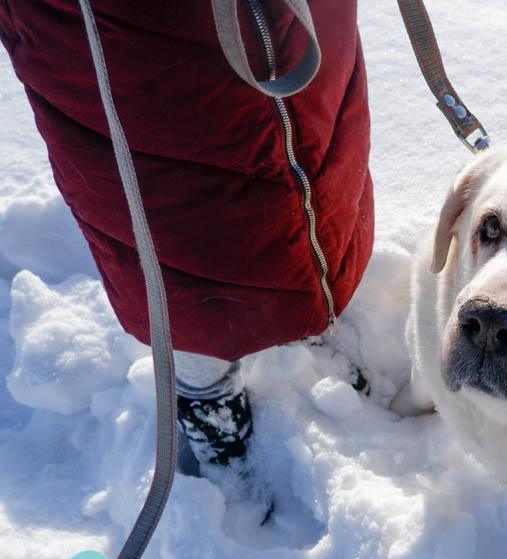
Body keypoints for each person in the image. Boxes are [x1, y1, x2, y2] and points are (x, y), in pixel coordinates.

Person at [0, 1, 373, 500]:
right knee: (180, 232)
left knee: (318, 172)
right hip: (125, 33)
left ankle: (306, 316)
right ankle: (205, 391)